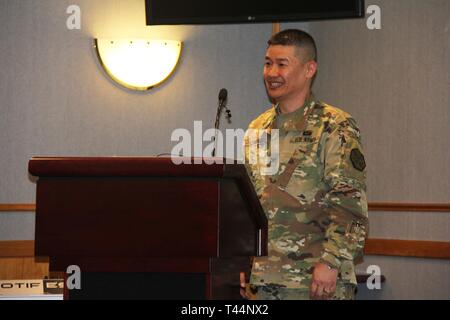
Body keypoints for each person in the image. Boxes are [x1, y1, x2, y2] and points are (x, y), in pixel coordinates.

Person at [242, 29, 369, 300]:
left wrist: (331, 262)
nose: (271, 72)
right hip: (262, 281)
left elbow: (350, 205)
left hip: (315, 282)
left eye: (282, 64)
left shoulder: (335, 126)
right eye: (267, 63)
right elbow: (247, 204)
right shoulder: (257, 129)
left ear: (309, 68)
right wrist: (240, 262)